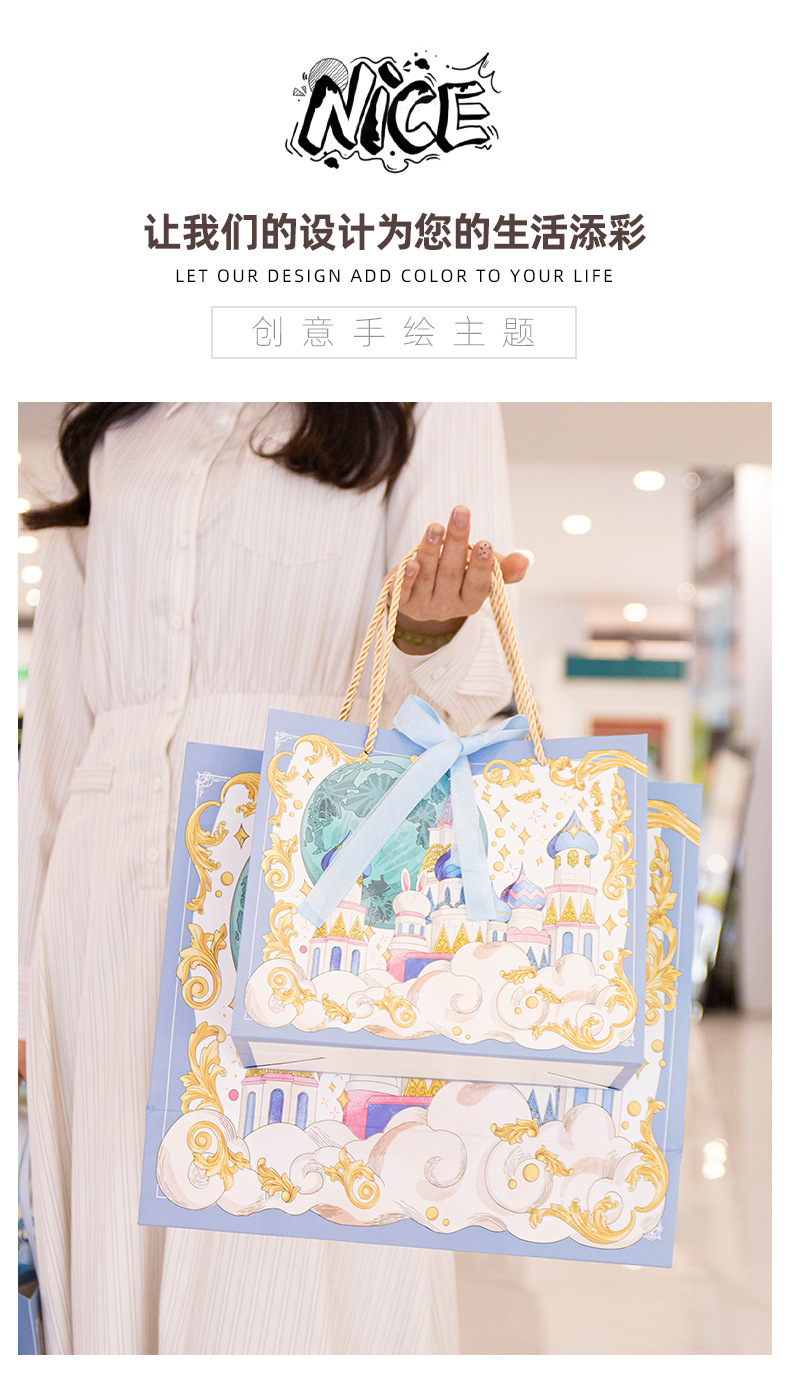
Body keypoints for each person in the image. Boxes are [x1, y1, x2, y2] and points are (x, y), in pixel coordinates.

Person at [18, 400, 528, 1355]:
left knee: (297, 1254)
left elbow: (469, 683)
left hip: (309, 874)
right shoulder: (111, 418)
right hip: (101, 895)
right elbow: (54, 725)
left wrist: (427, 633)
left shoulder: (422, 387)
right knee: (112, 1249)